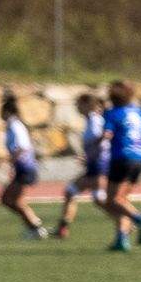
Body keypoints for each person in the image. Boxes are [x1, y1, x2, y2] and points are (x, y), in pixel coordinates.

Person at [101, 80, 141, 252]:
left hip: (121, 158)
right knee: (122, 200)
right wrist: (139, 144)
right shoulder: (140, 112)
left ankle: (140, 219)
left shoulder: (112, 113)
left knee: (112, 200)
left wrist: (95, 146)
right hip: (139, 158)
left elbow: (107, 134)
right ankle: (121, 239)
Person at [55, 91, 107, 241]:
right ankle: (62, 228)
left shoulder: (95, 120)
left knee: (75, 192)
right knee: (96, 198)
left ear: (87, 105)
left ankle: (131, 219)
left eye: (79, 104)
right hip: (95, 164)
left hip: (99, 166)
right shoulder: (91, 120)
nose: (77, 108)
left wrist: (91, 155)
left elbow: (102, 140)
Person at [0, 94, 49, 240]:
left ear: (7, 112)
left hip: (25, 168)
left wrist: (11, 163)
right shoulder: (13, 125)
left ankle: (36, 227)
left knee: (11, 199)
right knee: (9, 199)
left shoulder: (15, 126)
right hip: (23, 168)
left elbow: (21, 147)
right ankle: (34, 225)